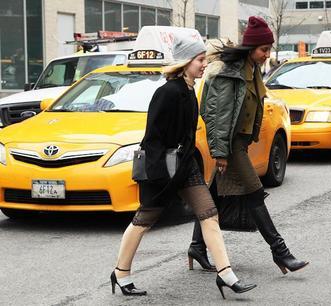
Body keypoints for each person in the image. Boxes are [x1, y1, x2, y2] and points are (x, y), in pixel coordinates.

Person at [111, 28, 256, 299]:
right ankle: (121, 273)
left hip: (184, 166)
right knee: (143, 221)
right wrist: (159, 178)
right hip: (162, 170)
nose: (204, 65)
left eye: (204, 60)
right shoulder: (168, 92)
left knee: (209, 214)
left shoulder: (189, 90)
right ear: (185, 62)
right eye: (199, 60)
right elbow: (152, 138)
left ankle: (226, 274)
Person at [190, 16, 309, 275]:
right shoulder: (229, 73)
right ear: (251, 48)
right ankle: (281, 253)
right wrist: (220, 152)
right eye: (263, 49)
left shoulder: (253, 69)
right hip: (231, 146)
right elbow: (218, 115)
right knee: (255, 194)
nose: (267, 54)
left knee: (214, 198)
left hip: (240, 144)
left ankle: (197, 246)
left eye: (269, 49)